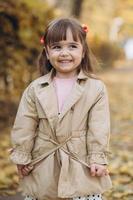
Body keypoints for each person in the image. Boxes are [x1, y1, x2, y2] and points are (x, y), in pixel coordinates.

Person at [9, 18, 112, 200]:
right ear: (47, 53)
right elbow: (25, 124)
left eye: (72, 46)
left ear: (83, 51)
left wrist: (97, 158)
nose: (64, 53)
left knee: (80, 193)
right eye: (57, 47)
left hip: (80, 162)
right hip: (44, 160)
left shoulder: (95, 88)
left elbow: (99, 127)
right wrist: (22, 156)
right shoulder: (35, 88)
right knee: (44, 193)